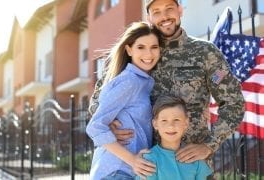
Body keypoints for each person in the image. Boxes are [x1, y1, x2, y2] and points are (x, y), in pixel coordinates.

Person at [89, 0, 245, 174]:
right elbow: (99, 101)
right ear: (149, 17)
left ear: (180, 10)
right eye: (156, 11)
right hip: (150, 165)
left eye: (169, 9)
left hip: (193, 166)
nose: (164, 17)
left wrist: (209, 145)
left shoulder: (206, 53)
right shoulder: (142, 52)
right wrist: (110, 127)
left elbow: (234, 103)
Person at [86, 22, 162, 180]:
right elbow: (95, 127)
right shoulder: (130, 81)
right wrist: (133, 161)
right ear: (129, 50)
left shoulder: (143, 82)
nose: (148, 54)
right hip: (117, 172)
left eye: (154, 47)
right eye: (141, 47)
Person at [136, 95, 213, 179]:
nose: (171, 126)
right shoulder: (149, 160)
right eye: (164, 120)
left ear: (186, 123)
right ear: (155, 124)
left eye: (176, 120)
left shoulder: (195, 158)